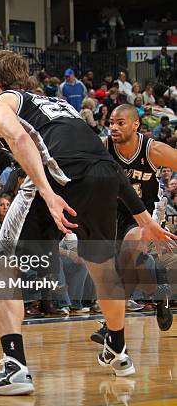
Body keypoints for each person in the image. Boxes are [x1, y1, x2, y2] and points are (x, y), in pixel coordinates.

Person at [0, 50, 175, 396]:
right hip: (105, 178)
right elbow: (103, 163)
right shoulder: (58, 104)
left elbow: (20, 141)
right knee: (102, 266)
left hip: (58, 180)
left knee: (1, 265)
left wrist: (48, 193)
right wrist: (142, 216)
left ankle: (14, 366)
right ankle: (119, 351)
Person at [89, 105, 177, 339]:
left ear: (136, 125)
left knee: (129, 252)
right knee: (120, 268)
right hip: (110, 212)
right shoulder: (102, 147)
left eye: (120, 122)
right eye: (111, 123)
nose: (114, 127)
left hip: (144, 213)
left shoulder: (153, 150)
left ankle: (111, 327)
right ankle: (159, 292)